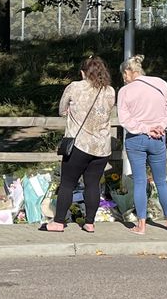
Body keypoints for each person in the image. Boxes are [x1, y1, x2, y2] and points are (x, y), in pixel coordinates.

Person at [41, 55, 115, 233]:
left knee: (67, 183)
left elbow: (61, 110)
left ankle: (58, 222)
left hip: (79, 144)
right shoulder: (110, 91)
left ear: (83, 72)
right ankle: (89, 222)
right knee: (92, 184)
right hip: (102, 146)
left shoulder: (75, 87)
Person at [117, 54, 167, 234]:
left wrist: (144, 128)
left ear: (130, 71)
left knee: (139, 181)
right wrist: (161, 125)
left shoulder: (125, 91)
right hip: (158, 138)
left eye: (124, 74)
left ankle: (141, 225)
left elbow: (125, 119)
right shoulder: (160, 83)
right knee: (161, 181)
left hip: (136, 139)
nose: (124, 78)